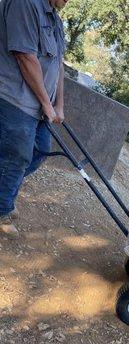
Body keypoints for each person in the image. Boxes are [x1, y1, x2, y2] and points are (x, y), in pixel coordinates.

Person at [0, 0, 68, 238]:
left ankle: (4, 194)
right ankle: (2, 209)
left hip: (40, 106)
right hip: (14, 98)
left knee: (40, 151)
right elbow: (25, 56)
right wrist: (47, 104)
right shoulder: (25, 4)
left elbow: (58, 65)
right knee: (15, 157)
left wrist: (58, 104)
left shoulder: (56, 21)